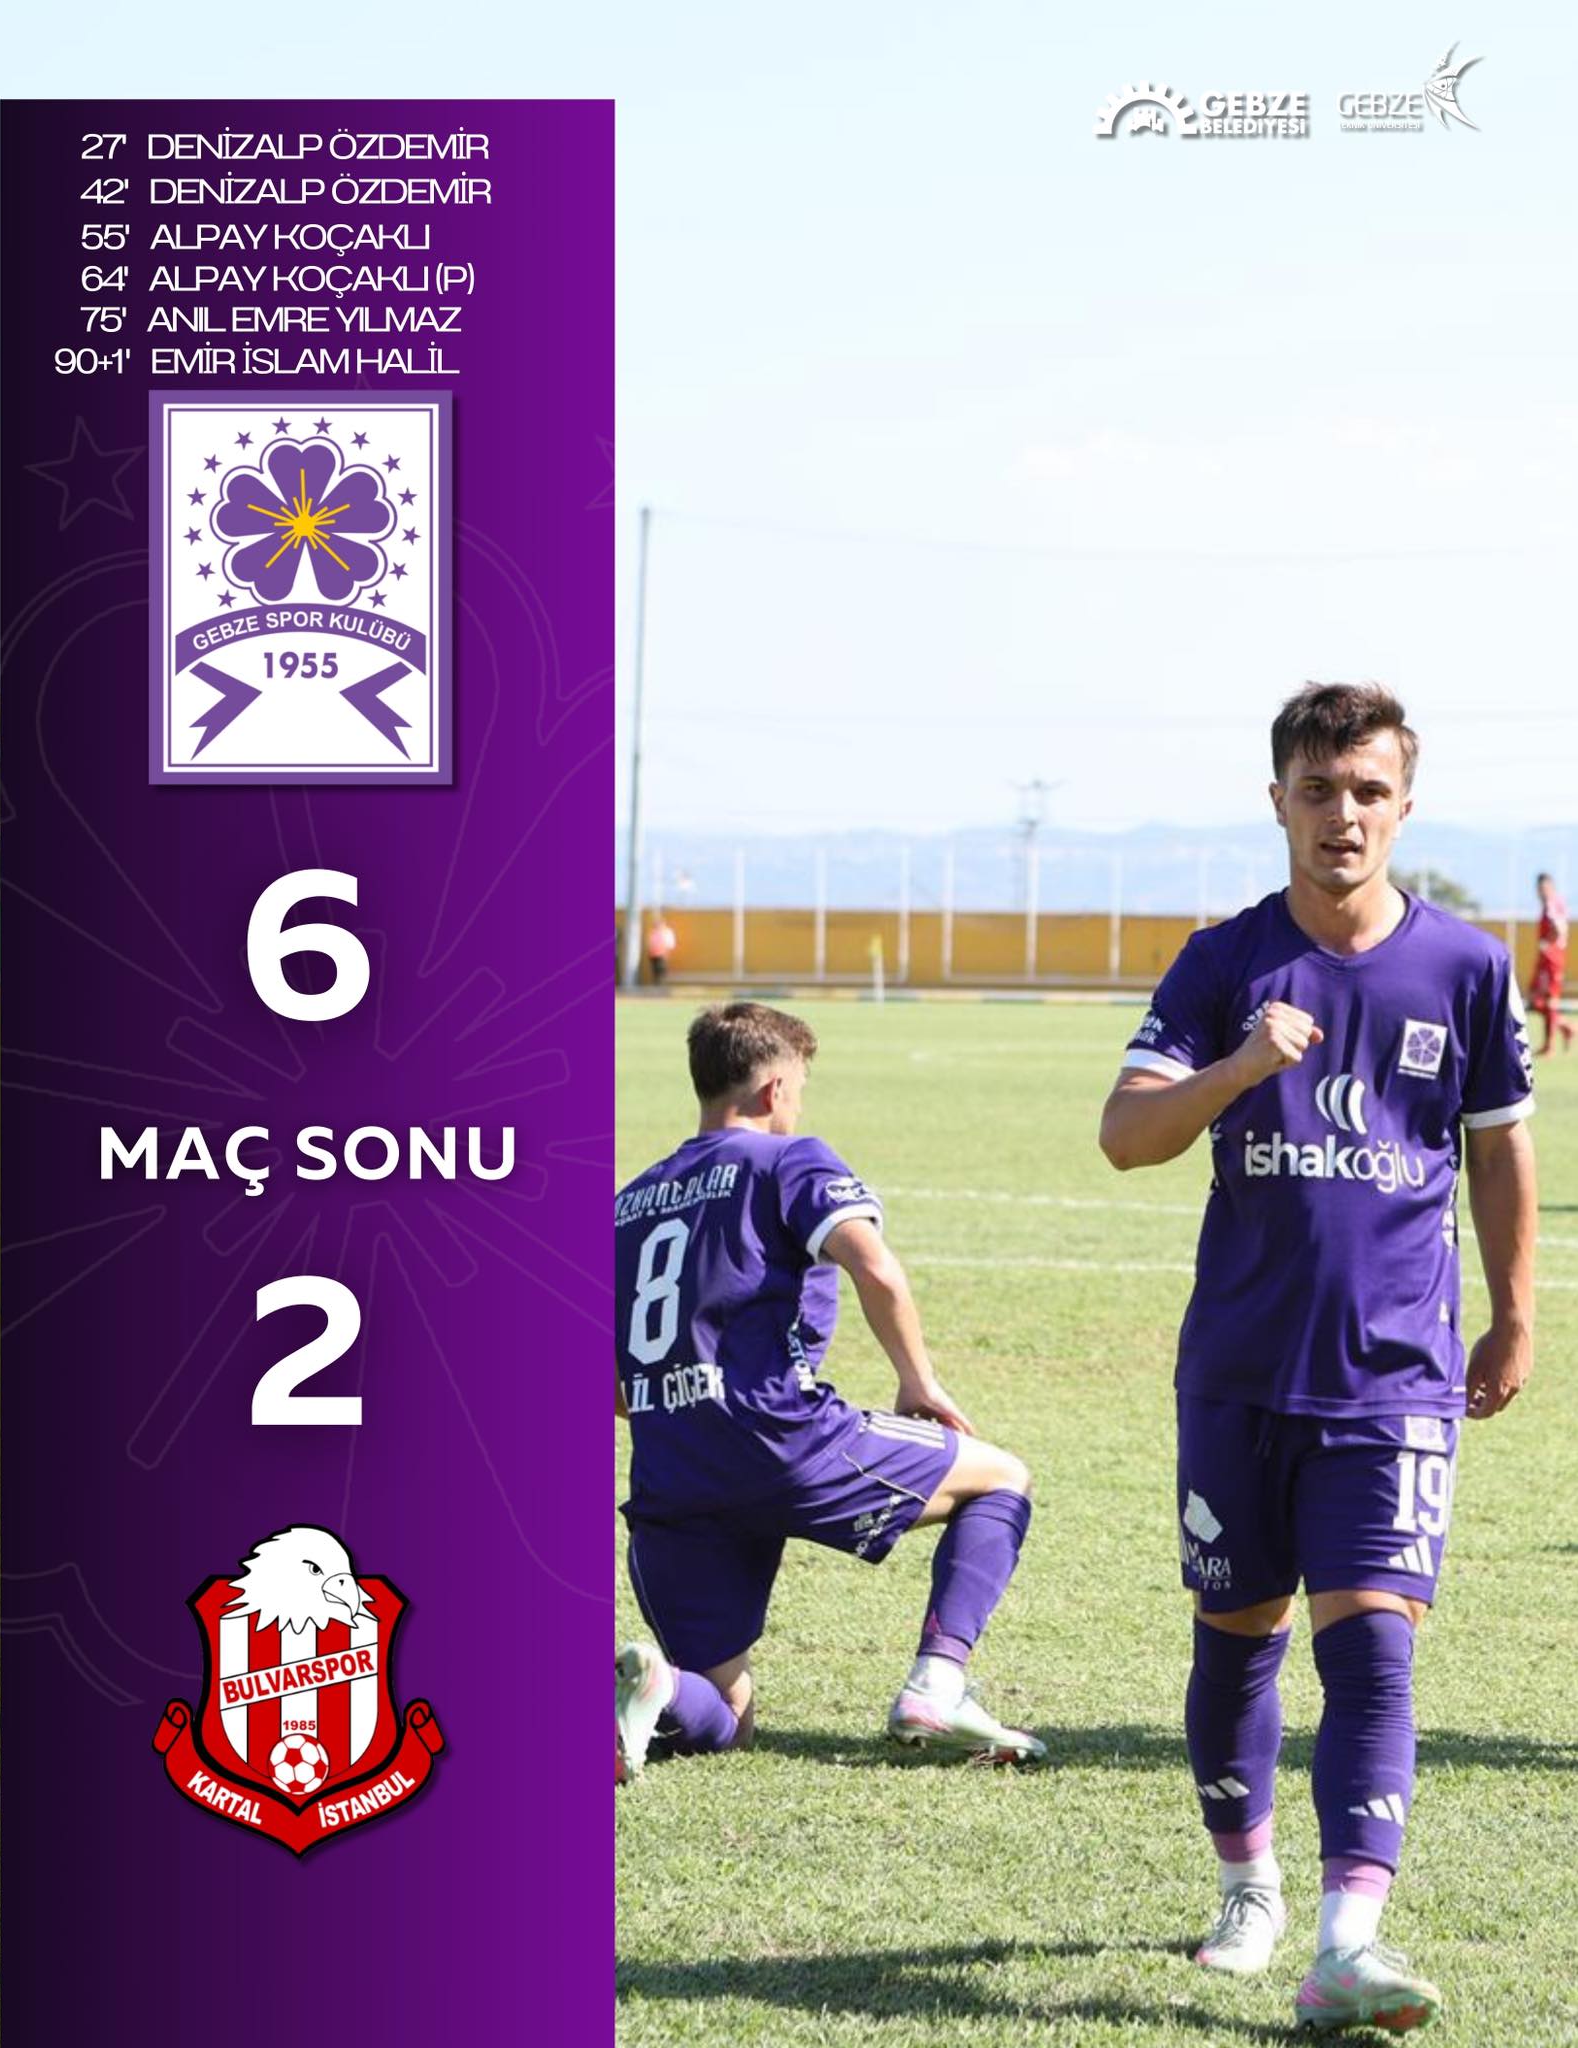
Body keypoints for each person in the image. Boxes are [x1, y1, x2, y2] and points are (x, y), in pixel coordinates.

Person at [1098, 683, 1535, 2036]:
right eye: (1317, 788)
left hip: (1392, 1376)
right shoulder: (1222, 960)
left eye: (1367, 790)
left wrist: (1515, 1310)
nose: (1342, 813)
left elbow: (1498, 1149)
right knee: (1237, 1641)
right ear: (1277, 799)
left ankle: (1349, 1939)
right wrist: (1237, 1067)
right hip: (1237, 1371)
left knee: (1375, 1650)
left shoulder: (1465, 967)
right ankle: (1249, 1885)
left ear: (1403, 804)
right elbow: (1125, 1135)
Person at [615, 1000, 1041, 1780]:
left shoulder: (629, 1203)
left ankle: (660, 1685)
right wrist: (918, 1382)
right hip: (782, 1440)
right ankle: (936, 1686)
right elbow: (874, 1267)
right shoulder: (789, 1159)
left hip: (672, 1476)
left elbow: (608, 1379)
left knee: (725, 1718)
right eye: (800, 1088)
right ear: (774, 1088)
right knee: (1001, 1478)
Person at [1529, 872, 1572, 1054]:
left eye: (1544, 888)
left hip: (1551, 959)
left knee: (1548, 1001)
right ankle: (1565, 1027)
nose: (1541, 892)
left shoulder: (1552, 904)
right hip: (1548, 958)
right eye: (1539, 888)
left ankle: (1549, 1046)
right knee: (1537, 1000)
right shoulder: (1553, 903)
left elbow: (1558, 928)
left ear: (1551, 887)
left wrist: (1547, 945)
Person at [646, 913, 677, 986]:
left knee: (661, 969)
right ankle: (656, 984)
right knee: (655, 970)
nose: (657, 925)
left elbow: (670, 943)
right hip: (653, 953)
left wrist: (666, 952)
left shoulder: (667, 932)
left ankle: (662, 984)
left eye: (659, 923)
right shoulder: (653, 932)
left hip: (662, 953)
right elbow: (650, 942)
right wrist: (650, 950)